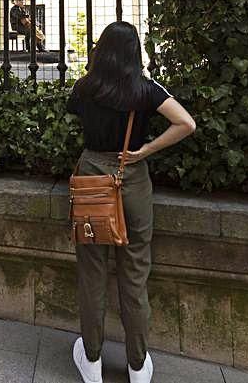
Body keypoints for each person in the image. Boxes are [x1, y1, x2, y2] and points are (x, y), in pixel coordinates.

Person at [66, 21, 196, 383]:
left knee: (91, 272)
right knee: (135, 274)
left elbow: (75, 112)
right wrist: (146, 150)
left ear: (101, 49)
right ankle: (137, 366)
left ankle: (91, 361)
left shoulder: (85, 87)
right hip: (131, 175)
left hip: (92, 174)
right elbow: (186, 123)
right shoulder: (145, 89)